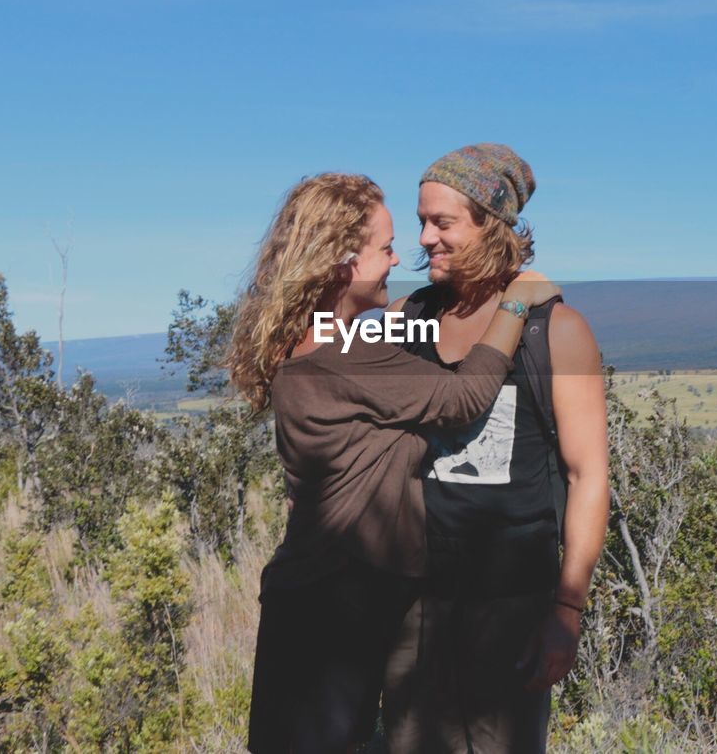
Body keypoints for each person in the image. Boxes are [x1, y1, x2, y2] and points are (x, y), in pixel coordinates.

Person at [225, 172, 559, 754]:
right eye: (384, 247)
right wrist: (514, 300)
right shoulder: (347, 351)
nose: (399, 255)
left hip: (320, 598)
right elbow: (463, 397)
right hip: (332, 608)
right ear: (341, 261)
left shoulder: (317, 337)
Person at [382, 144, 610, 753]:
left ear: (493, 224)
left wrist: (568, 607)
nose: (424, 237)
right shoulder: (406, 320)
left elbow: (588, 474)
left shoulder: (557, 332)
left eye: (443, 222)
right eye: (422, 220)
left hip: (513, 603)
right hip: (415, 601)